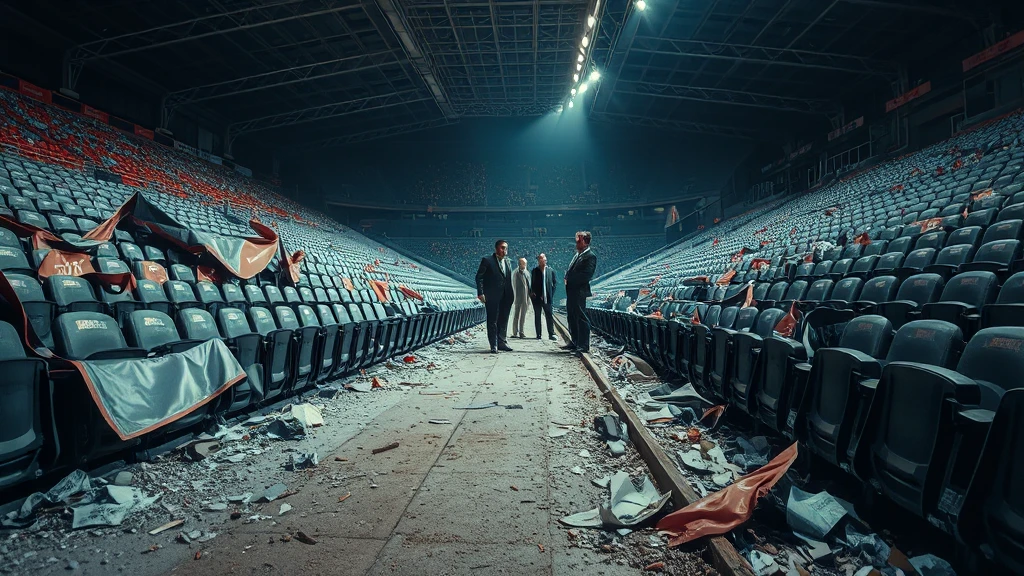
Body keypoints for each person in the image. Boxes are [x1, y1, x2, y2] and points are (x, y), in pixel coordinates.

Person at [475, 239, 515, 353]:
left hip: (506, 296)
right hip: (492, 296)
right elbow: (479, 277)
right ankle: (494, 345)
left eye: (506, 248)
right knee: (492, 320)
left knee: (504, 319)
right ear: (496, 248)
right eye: (502, 248)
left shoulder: (508, 262)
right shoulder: (487, 260)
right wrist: (480, 293)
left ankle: (502, 341)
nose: (504, 250)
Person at [563, 231, 597, 353]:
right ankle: (575, 341)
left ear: (585, 241)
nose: (576, 242)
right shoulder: (578, 255)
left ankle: (583, 345)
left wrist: (570, 279)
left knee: (581, 317)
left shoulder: (590, 256)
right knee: (571, 316)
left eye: (579, 240)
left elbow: (586, 275)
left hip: (579, 291)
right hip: (572, 291)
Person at [530, 253, 557, 340]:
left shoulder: (550, 271)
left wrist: (551, 294)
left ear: (546, 260)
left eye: (544, 259)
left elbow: (554, 283)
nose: (542, 261)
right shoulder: (534, 271)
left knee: (549, 315)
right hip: (537, 298)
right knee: (537, 316)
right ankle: (538, 334)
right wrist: (533, 293)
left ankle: (551, 334)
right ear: (538, 261)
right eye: (540, 259)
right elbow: (532, 284)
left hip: (547, 298)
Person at [511, 257, 531, 338]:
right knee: (516, 315)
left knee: (523, 315)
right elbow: (514, 285)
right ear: (519, 264)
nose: (525, 265)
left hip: (525, 298)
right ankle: (515, 332)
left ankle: (521, 332)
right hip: (518, 297)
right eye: (523, 263)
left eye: (525, 263)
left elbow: (529, 286)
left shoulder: (527, 273)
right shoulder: (515, 272)